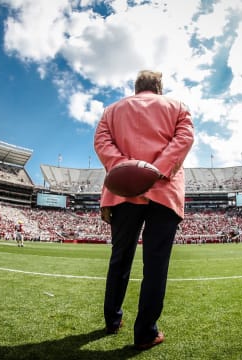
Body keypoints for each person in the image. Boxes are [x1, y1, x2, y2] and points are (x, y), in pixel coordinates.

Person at [94, 70, 194, 350]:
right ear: (159, 88)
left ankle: (112, 320)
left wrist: (129, 171)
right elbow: (184, 140)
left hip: (123, 192)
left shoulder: (111, 111)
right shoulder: (178, 107)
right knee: (156, 264)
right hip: (164, 188)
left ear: (136, 88)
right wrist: (156, 171)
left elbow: (102, 144)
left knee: (120, 257)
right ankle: (145, 333)